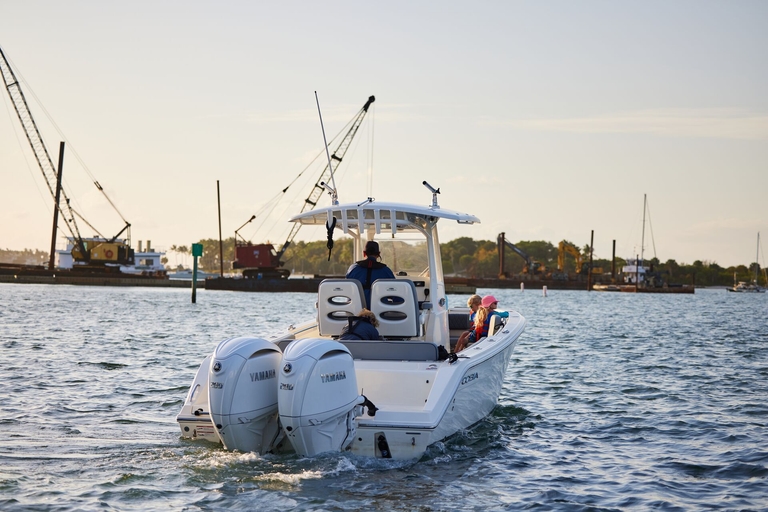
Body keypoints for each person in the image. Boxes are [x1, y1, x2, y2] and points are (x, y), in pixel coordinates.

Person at [345, 240, 395, 308]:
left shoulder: (353, 268)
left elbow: (347, 289)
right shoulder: (386, 270)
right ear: (378, 254)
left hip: (356, 310)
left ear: (364, 253)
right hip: (380, 310)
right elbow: (395, 292)